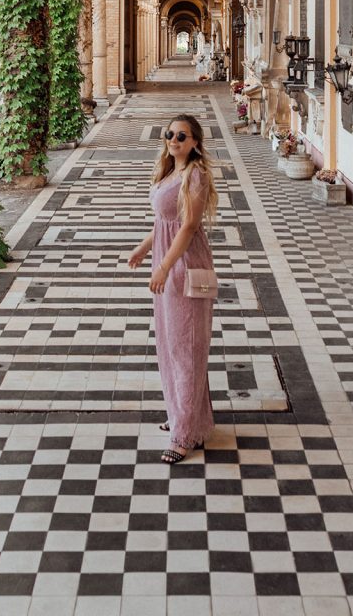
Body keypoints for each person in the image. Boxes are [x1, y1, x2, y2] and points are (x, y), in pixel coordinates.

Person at [128, 113, 219, 464]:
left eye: (182, 136)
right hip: (167, 263)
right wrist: (144, 248)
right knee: (170, 344)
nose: (174, 140)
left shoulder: (196, 176)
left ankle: (184, 434)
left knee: (187, 347)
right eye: (170, 134)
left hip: (185, 266)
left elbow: (188, 226)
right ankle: (189, 417)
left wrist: (165, 266)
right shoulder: (170, 172)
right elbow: (165, 223)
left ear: (195, 141)